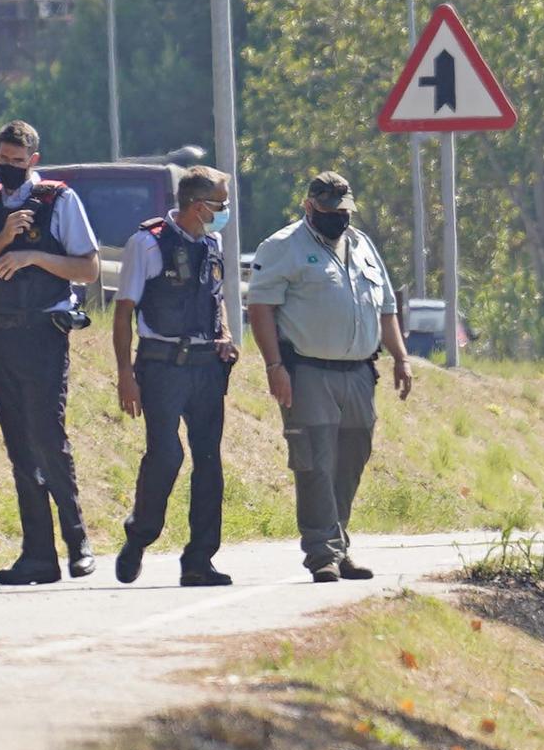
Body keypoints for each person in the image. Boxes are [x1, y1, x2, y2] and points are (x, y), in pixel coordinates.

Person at [0, 120, 102, 585]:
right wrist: (4, 240)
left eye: (19, 162)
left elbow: (89, 268)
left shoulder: (60, 200)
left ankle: (77, 542)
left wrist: (34, 256)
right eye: (4, 159)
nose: (10, 168)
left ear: (33, 161)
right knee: (19, 446)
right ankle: (37, 555)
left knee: (48, 438)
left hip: (42, 332)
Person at [246, 171, 413, 583]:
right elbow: (261, 308)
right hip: (307, 372)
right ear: (309, 207)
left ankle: (339, 544)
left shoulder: (362, 245)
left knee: (351, 459)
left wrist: (401, 358)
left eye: (344, 211)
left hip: (358, 372)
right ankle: (321, 552)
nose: (338, 218)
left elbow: (386, 306)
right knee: (315, 463)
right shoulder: (283, 247)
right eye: (328, 210)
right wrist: (274, 367)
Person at [111, 167, 239, 587]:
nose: (225, 212)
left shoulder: (213, 242)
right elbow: (124, 312)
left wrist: (224, 334)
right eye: (221, 204)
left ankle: (199, 560)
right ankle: (139, 536)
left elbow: (215, 297)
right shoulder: (146, 243)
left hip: (206, 367)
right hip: (161, 365)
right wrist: (125, 374)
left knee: (208, 463)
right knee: (166, 456)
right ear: (199, 206)